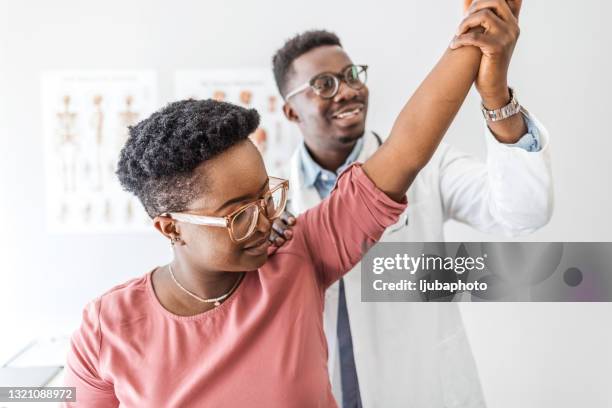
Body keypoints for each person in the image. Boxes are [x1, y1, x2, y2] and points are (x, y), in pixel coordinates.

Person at [63, 5, 496, 406]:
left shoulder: (296, 258)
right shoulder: (107, 330)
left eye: (265, 196)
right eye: (238, 214)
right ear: (171, 228)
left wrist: (479, 32)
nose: (267, 221)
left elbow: (404, 150)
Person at [272, 1, 551, 406]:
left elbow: (525, 212)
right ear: (290, 111)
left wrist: (496, 97)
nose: (347, 90)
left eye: (351, 75)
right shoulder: (271, 205)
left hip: (425, 389)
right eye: (324, 84)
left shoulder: (430, 166)